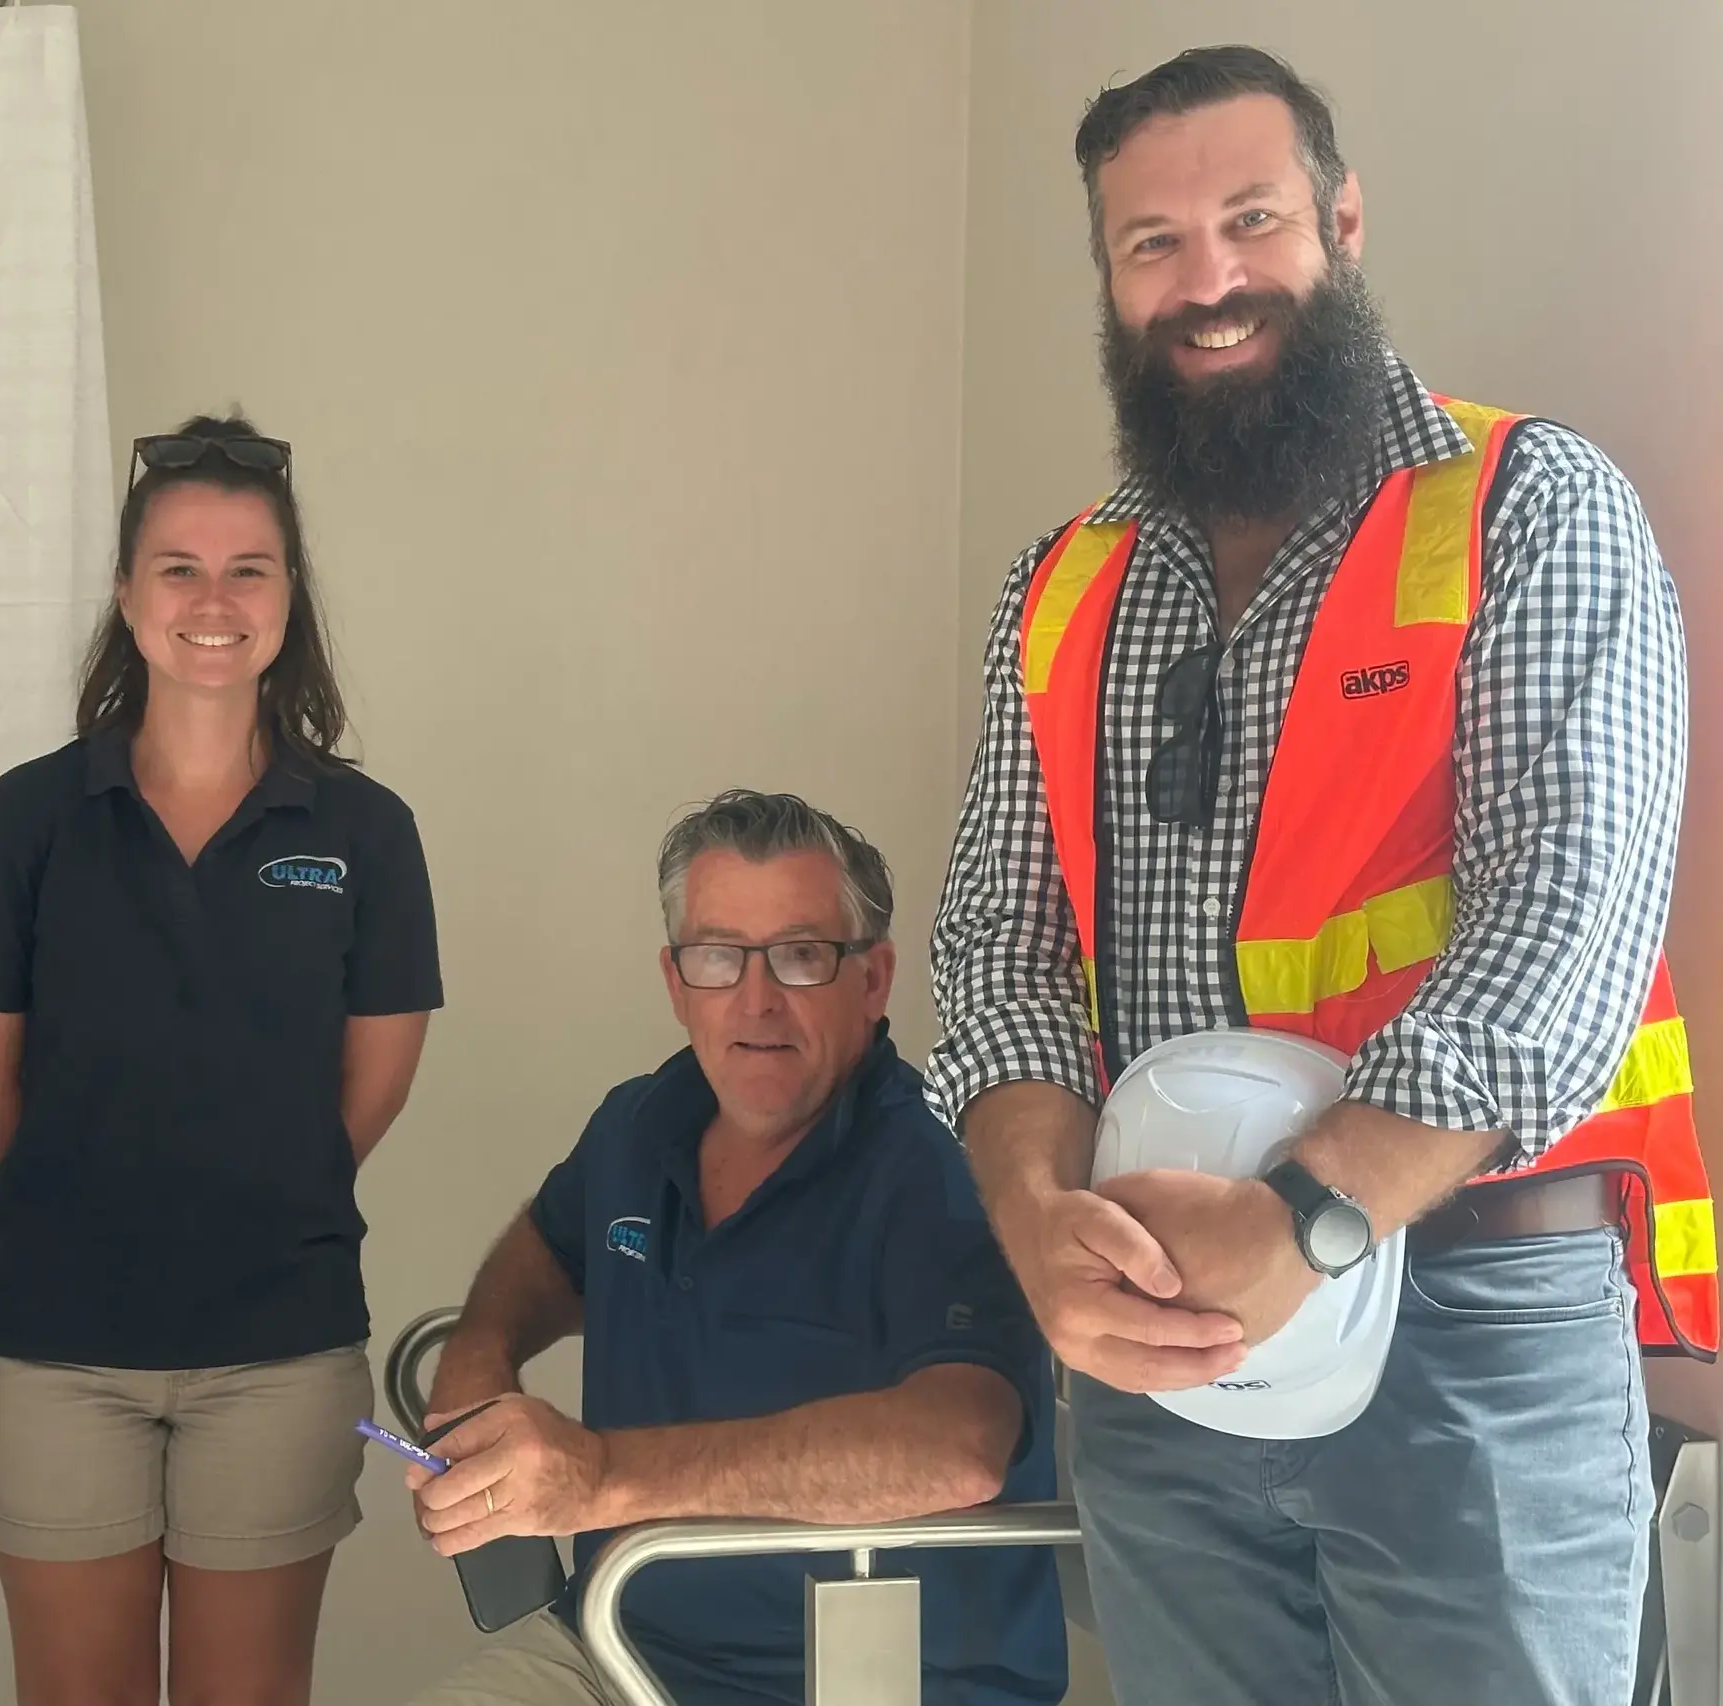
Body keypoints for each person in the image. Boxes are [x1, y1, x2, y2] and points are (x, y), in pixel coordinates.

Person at [927, 46, 1710, 1706]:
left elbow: (1561, 928)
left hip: (1468, 1323)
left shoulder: (1526, 506)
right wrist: (1036, 1223)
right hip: (1152, 1334)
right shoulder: (1062, 584)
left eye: (1251, 219)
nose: (1208, 281)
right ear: (1108, 279)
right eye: (1153, 243)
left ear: (1342, 223)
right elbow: (1000, 947)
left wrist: (1305, 1216)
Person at [0, 415, 444, 1706]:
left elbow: (371, 1085)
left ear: (288, 595)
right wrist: (93, 1195)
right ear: (125, 592)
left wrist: (251, 1193)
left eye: (247, 569)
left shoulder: (366, 832)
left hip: (279, 1351)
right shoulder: (28, 817)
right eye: (179, 568)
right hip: (54, 1351)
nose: (214, 602)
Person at [403, 790, 1064, 1706]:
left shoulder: (945, 1167)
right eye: (718, 957)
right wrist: (481, 1351)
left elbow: (961, 1449)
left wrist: (601, 1479)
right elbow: (549, 1253)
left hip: (876, 1683)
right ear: (677, 983)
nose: (757, 1000)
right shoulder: (637, 1125)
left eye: (800, 955)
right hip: (615, 1647)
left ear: (873, 981)